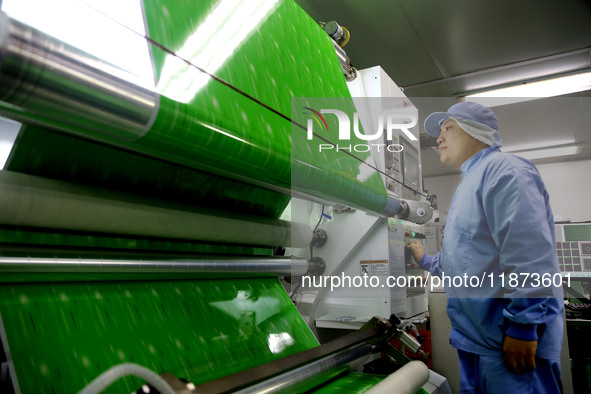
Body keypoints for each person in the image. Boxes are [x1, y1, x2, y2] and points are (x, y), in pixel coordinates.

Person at [406, 101, 564, 393]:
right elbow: (462, 258)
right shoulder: (470, 182)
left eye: (448, 128)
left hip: (508, 344)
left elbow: (527, 254)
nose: (438, 138)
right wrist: (425, 259)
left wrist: (522, 326)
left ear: (476, 132)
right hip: (478, 342)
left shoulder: (505, 171)